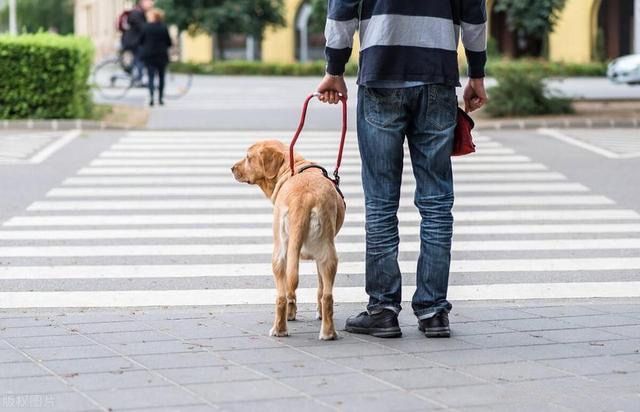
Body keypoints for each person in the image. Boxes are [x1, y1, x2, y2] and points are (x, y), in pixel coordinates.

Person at [316, 0, 488, 338]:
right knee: (437, 203)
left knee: (380, 202)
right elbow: (474, 17)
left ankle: (382, 310)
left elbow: (341, 12)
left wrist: (334, 70)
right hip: (437, 80)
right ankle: (434, 310)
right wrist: (477, 75)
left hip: (381, 77)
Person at [139, 8, 172, 106]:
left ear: (153, 16)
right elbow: (169, 42)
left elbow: (141, 41)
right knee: (161, 77)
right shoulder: (164, 27)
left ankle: (151, 98)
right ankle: (161, 99)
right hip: (162, 55)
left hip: (149, 56)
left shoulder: (146, 27)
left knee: (151, 77)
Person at [121, 0, 155, 84]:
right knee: (140, 58)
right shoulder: (136, 13)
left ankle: (134, 73)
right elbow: (143, 28)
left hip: (134, 41)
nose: (151, 4)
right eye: (149, 2)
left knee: (138, 59)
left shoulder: (139, 12)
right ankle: (138, 78)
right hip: (133, 42)